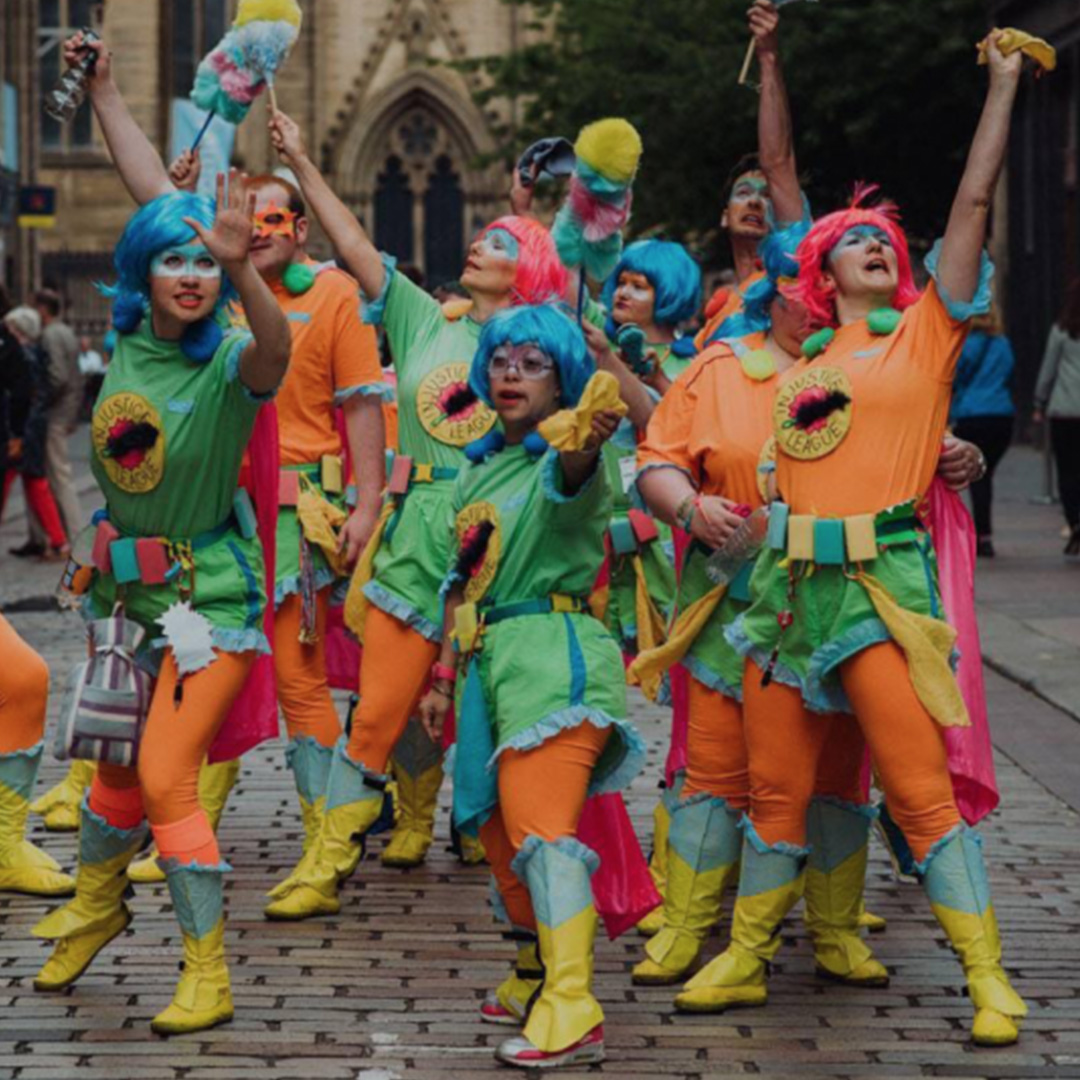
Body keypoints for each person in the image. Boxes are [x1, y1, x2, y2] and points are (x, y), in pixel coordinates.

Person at [678, 35, 1027, 1047]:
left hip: (881, 594)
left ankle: (987, 976)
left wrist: (1001, 85)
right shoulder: (793, 363)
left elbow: (971, 203)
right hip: (786, 597)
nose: (879, 246)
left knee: (917, 793)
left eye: (888, 240)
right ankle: (746, 956)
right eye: (855, 240)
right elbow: (781, 186)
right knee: (779, 791)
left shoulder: (924, 336)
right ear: (816, 274)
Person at [57, 31, 388, 880]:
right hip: (174, 543)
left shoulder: (279, 318)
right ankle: (156, 837)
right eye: (247, 216)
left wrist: (366, 503)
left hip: (273, 536)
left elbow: (353, 407)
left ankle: (321, 845)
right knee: (152, 723)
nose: (256, 229)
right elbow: (148, 205)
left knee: (297, 686)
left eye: (275, 217)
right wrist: (105, 96)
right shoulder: (179, 307)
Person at [261, 109, 571, 919]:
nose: (480, 244)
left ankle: (536, 903)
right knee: (373, 719)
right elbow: (356, 247)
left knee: (516, 735)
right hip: (417, 531)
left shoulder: (549, 341)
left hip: (504, 539)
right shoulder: (420, 318)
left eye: (502, 243)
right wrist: (300, 159)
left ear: (530, 266)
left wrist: (545, 209)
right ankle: (324, 865)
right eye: (481, 238)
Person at [32, 175, 292, 1037]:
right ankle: (99, 908)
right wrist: (103, 93)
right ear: (140, 273)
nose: (192, 273)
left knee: (165, 775)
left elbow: (275, 351)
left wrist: (242, 267)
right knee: (111, 770)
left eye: (204, 262)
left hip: (205, 602)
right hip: (124, 602)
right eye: (172, 259)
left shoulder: (225, 360)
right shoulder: (126, 352)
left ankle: (206, 974)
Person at [418, 304, 639, 1069]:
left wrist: (584, 437)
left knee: (544, 834)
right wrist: (444, 674)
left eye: (533, 364)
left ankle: (574, 1006)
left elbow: (573, 478)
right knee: (498, 834)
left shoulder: (567, 451)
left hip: (553, 653)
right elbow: (462, 578)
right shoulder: (478, 465)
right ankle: (541, 973)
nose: (512, 375)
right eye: (502, 361)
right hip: (487, 666)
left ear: (563, 380)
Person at [694, 0, 806, 351]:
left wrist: (768, 59)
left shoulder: (788, 276)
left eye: (767, 196)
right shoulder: (713, 316)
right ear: (724, 216)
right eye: (743, 192)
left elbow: (778, 162)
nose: (757, 200)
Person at [9, 289, 83, 556]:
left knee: (56, 476)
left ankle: (71, 535)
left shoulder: (51, 335)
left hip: (53, 413)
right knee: (43, 474)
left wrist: (39, 400)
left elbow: (58, 377)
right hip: (63, 411)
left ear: (42, 309)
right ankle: (42, 536)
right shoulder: (65, 331)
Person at [0, 306, 69, 558]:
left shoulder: (18, 354)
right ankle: (60, 541)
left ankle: (59, 540)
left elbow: (18, 396)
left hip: (20, 429)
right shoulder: (34, 352)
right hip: (34, 426)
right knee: (36, 483)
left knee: (12, 481)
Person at [950, 307, 1013, 557]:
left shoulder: (965, 345)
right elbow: (1009, 374)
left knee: (978, 478)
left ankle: (981, 536)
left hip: (971, 414)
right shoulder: (1003, 344)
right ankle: (984, 534)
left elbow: (954, 378)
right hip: (1002, 416)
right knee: (986, 475)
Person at [1034, 278, 1080, 556]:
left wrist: (1039, 401)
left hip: (1064, 411)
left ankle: (1075, 521)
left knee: (1067, 470)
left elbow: (1048, 370)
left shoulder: (1062, 331)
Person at [77, 334, 107, 421]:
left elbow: (97, 367)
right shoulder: (78, 356)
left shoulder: (95, 355)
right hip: (82, 380)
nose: (85, 346)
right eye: (83, 344)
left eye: (86, 344)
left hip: (94, 381)